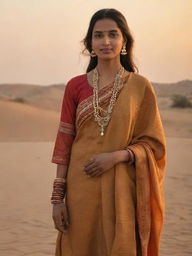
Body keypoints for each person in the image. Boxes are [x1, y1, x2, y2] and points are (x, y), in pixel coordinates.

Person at [50, 8, 166, 256]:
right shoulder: (75, 86)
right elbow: (64, 143)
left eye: (113, 34)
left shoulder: (139, 86)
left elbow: (154, 145)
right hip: (80, 188)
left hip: (122, 190)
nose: (105, 42)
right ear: (89, 43)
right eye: (98, 35)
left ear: (124, 41)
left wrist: (117, 156)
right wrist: (57, 199)